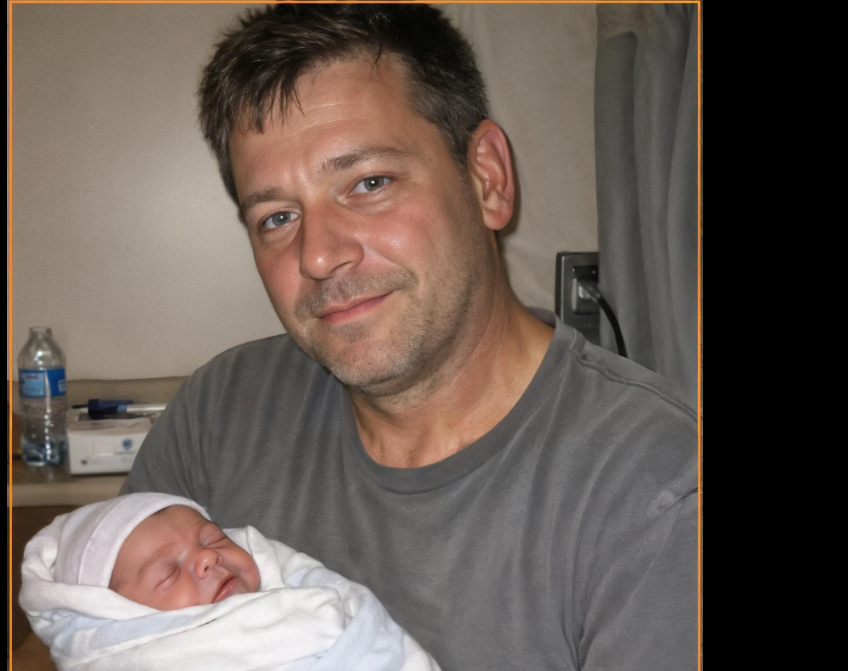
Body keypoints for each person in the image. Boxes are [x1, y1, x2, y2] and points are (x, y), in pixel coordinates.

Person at [123, 4, 698, 670]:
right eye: (277, 217)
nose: (318, 256)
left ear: (486, 179)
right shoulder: (220, 416)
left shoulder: (657, 493)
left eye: (369, 183)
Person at [20, 492, 441, 671]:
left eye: (213, 539)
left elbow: (378, 644)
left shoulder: (300, 595)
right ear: (119, 616)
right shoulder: (145, 655)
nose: (207, 558)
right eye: (168, 572)